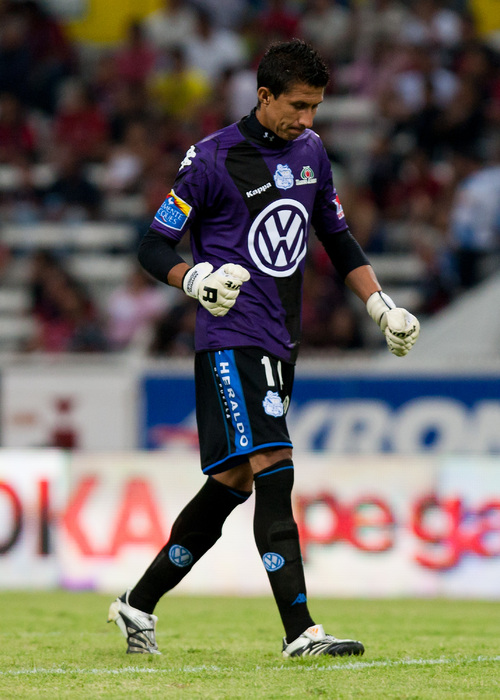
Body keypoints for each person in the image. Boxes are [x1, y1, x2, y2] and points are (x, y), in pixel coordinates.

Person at [108, 39, 420, 658]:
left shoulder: (312, 152)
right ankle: (300, 631)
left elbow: (337, 235)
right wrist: (193, 281)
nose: (308, 118)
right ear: (264, 96)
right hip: (231, 337)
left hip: (282, 337)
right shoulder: (211, 158)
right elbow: (152, 246)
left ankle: (136, 604)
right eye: (298, 106)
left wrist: (380, 305)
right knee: (275, 467)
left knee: (231, 481)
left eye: (316, 107)